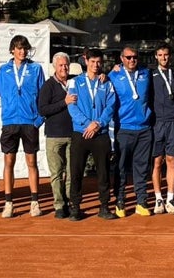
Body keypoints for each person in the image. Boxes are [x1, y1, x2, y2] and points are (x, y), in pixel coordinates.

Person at [0, 35, 45, 219]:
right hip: (10, 123)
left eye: (25, 48)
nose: (22, 51)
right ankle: (9, 203)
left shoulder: (36, 69)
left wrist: (38, 120)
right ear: (12, 50)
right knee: (9, 163)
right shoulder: (3, 70)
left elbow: (43, 96)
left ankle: (34, 202)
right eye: (18, 48)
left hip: (29, 122)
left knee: (31, 163)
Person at [67, 48, 117, 221]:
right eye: (93, 61)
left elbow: (111, 106)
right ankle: (75, 207)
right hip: (80, 133)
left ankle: (104, 206)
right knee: (76, 171)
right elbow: (71, 107)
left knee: (103, 172)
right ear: (85, 61)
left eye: (99, 62)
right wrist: (87, 124)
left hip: (100, 133)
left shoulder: (106, 83)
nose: (96, 65)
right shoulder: (74, 82)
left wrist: (98, 124)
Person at [109, 45, 153, 217]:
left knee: (141, 167)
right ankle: (120, 201)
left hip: (144, 128)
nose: (132, 60)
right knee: (120, 168)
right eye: (128, 57)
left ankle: (141, 201)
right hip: (124, 129)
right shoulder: (113, 75)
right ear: (121, 58)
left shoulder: (146, 73)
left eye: (134, 57)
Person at [38, 52, 75, 219]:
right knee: (56, 173)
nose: (64, 68)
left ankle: (71, 202)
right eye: (60, 65)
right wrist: (63, 103)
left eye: (66, 65)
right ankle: (59, 205)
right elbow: (43, 109)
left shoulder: (75, 81)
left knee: (72, 172)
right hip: (54, 135)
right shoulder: (48, 86)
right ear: (55, 67)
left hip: (73, 134)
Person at [150, 43, 174, 214]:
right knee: (157, 161)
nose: (163, 58)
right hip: (157, 122)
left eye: (166, 55)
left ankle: (170, 198)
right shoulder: (150, 75)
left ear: (170, 56)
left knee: (172, 161)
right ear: (156, 56)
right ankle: (158, 199)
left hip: (173, 122)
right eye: (160, 55)